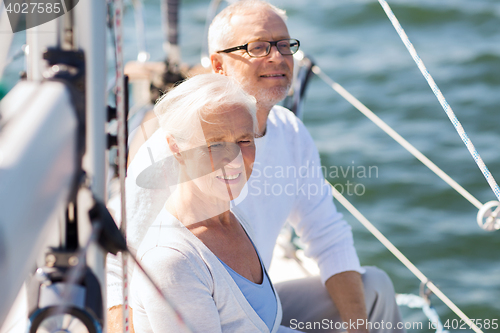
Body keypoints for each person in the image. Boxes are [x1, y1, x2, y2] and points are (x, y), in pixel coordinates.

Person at [107, 1, 405, 332]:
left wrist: (358, 327)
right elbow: (115, 264)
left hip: (256, 306)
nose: (277, 57)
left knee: (374, 288)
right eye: (258, 47)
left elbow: (327, 233)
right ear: (218, 65)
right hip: (184, 306)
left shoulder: (289, 132)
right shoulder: (177, 146)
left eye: (284, 45)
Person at [130, 73, 299, 332]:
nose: (235, 159)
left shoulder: (235, 217)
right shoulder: (172, 261)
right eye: (215, 144)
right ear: (176, 149)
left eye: (245, 140)